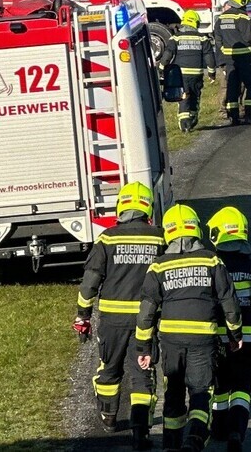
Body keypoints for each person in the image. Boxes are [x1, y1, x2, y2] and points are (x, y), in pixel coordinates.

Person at [136, 204, 242, 452]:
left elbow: (146, 313)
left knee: (173, 393)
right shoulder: (212, 260)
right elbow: (229, 302)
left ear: (169, 232)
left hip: (171, 340)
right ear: (196, 230)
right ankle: (194, 440)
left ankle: (171, 445)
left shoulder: (158, 266)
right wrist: (235, 333)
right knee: (200, 392)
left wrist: (144, 347)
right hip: (203, 339)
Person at [74, 182, 165, 449]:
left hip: (112, 319)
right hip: (146, 321)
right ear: (148, 208)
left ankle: (109, 418)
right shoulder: (159, 238)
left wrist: (83, 315)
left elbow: (90, 282)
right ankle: (140, 430)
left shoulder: (107, 238)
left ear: (121, 207)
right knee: (142, 373)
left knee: (109, 368)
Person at [207, 207, 251, 452]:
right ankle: (236, 431)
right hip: (247, 338)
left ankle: (219, 428)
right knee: (242, 386)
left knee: (221, 385)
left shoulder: (213, 267)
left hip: (219, 338)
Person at [165, 10, 215, 132]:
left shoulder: (176, 38)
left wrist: (162, 69)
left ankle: (184, 124)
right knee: (195, 96)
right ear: (196, 23)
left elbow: (167, 55)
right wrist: (212, 73)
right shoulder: (203, 38)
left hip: (181, 75)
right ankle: (192, 119)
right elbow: (209, 57)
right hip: (196, 74)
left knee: (184, 97)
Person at [215, 0, 251, 126]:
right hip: (246, 59)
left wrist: (225, 52)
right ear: (242, 1)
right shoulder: (242, 17)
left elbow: (218, 41)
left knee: (232, 88)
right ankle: (248, 115)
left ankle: (233, 117)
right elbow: (248, 37)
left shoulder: (220, 18)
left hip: (230, 60)